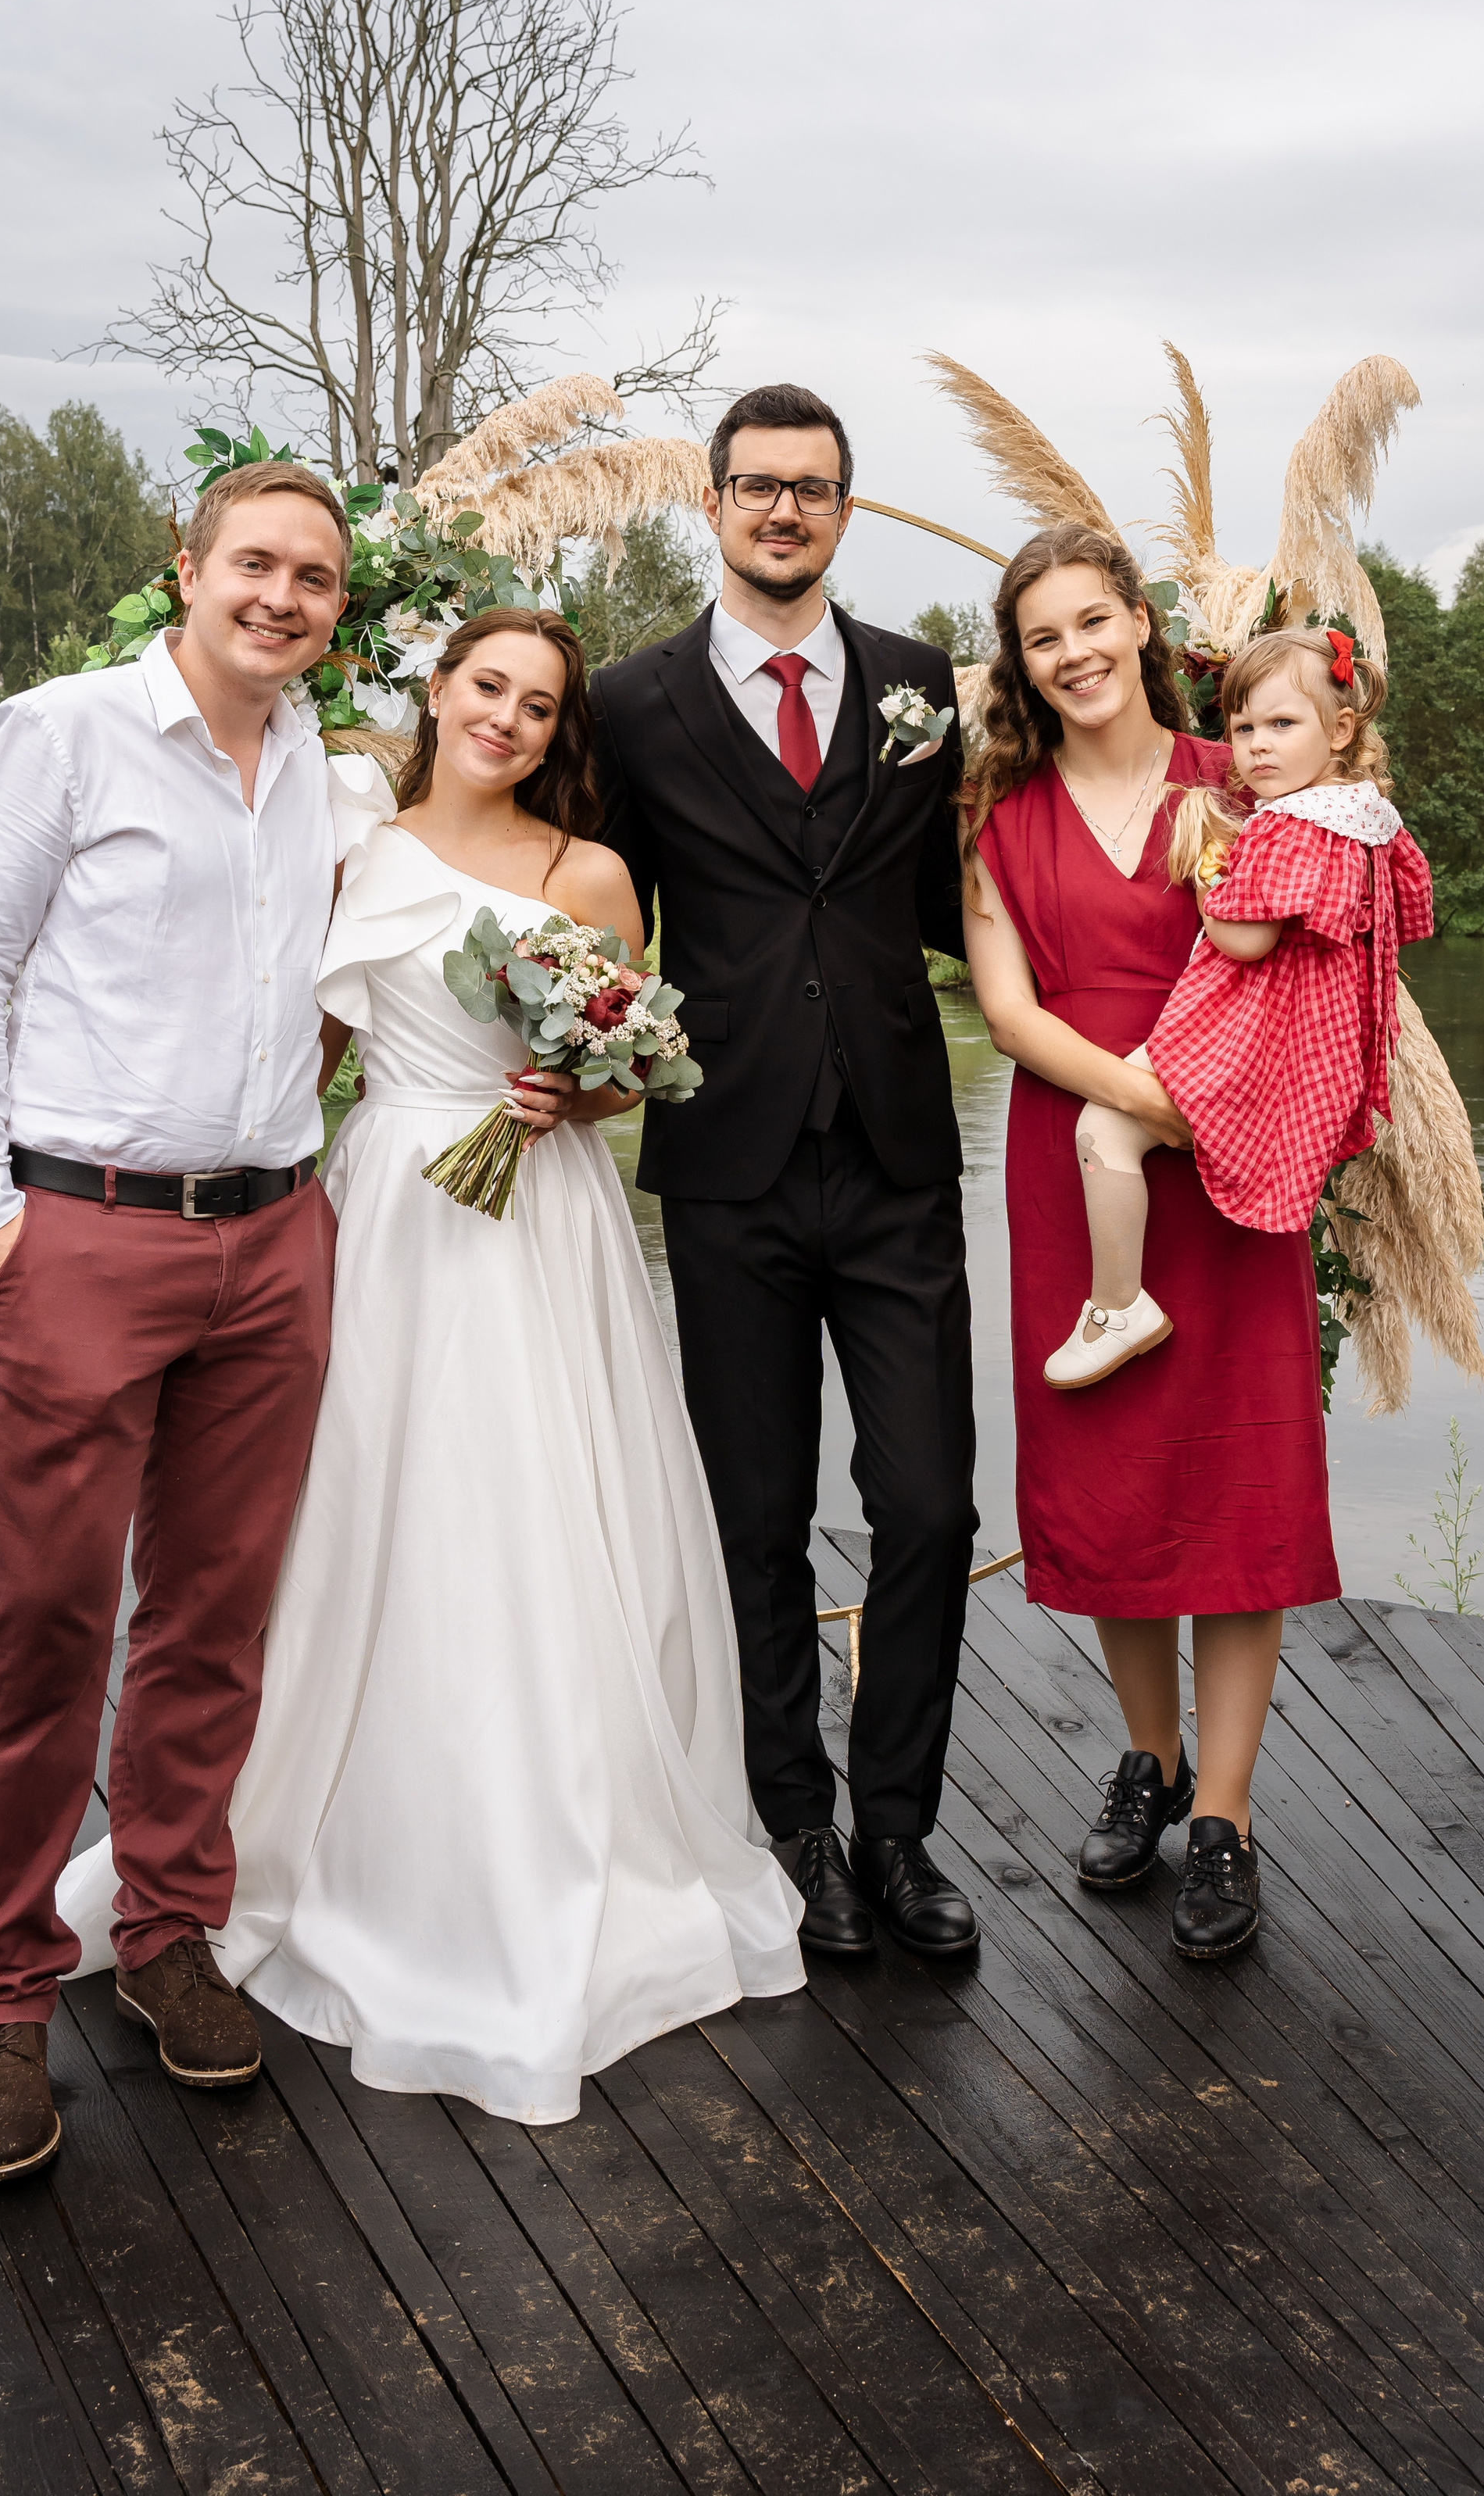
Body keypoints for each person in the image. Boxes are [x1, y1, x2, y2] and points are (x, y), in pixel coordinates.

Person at [57, 606, 803, 2126]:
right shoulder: (353, 842)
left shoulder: (584, 873)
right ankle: (326, 1844)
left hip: (542, 1226)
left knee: (540, 1520)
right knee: (367, 1521)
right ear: (439, 691)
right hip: (388, 1211)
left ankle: (556, 1845)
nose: (508, 720)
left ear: (555, 734)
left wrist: (565, 1089)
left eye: (538, 706)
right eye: (487, 688)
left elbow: (623, 1074)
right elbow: (302, 1054)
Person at [0, 460, 352, 2180]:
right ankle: (1, 1997)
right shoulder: (65, 733)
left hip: (271, 1243)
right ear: (186, 568)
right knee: (38, 1620)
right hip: (79, 1240)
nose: (282, 597)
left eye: (311, 577)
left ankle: (166, 1925)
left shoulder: (331, 766)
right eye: (255, 563)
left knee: (214, 1616)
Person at [591, 382, 980, 1961]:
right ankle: (798, 1830)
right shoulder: (628, 703)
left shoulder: (912, 687)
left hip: (895, 1159)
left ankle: (897, 1833)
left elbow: (976, 900)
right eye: (755, 486)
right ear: (713, 501)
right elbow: (576, 900)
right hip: (729, 1165)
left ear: (845, 508)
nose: (781, 511)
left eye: (810, 489)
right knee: (755, 1518)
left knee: (931, 1507)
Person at [962, 522, 1339, 1959]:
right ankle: (1151, 1756)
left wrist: (1222, 1116)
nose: (1073, 653)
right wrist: (1146, 1102)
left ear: (1139, 624)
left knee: (1236, 1483)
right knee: (1115, 1472)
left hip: (1237, 1167)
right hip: (1085, 1157)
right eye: (1043, 636)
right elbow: (1007, 1012)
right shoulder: (998, 818)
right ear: (1026, 662)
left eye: (1091, 621)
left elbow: (1313, 958)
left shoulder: (1231, 784)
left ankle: (1225, 1815)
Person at [1047, 625, 1433, 1388]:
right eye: (1242, 727)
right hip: (1306, 1044)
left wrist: (1205, 875)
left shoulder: (1291, 827)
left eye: (1281, 725)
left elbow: (1245, 940)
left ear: (1341, 728)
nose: (1255, 746)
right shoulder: (1363, 819)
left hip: (1247, 1040)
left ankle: (1117, 1304)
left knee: (1101, 1129)